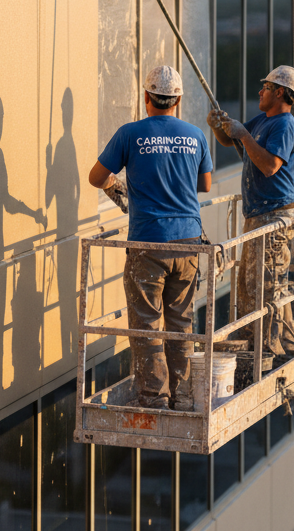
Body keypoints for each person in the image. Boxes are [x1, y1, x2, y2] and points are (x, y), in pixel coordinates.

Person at [89, 66, 213, 411]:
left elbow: (96, 177)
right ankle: (184, 395)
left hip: (148, 244)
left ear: (146, 98)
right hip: (188, 241)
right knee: (181, 323)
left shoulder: (130, 134)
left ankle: (155, 399)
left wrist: (122, 187)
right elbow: (204, 185)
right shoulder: (195, 135)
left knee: (147, 324)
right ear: (177, 100)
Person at [207, 65, 294, 358]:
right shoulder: (264, 120)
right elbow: (231, 139)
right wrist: (219, 127)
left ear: (281, 93)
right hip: (258, 215)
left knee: (266, 287)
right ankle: (257, 345)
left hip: (274, 216)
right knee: (249, 286)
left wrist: (244, 135)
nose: (260, 92)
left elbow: (270, 166)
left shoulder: (284, 125)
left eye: (266, 87)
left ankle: (271, 349)